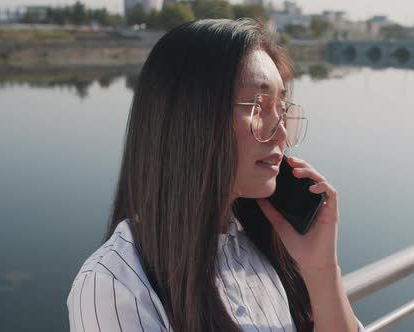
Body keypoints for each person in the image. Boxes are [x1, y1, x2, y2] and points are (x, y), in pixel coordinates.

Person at [67, 19, 366, 332]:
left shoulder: (268, 247)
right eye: (256, 105)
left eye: (282, 108)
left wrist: (321, 269)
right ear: (189, 119)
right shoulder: (115, 286)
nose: (281, 134)